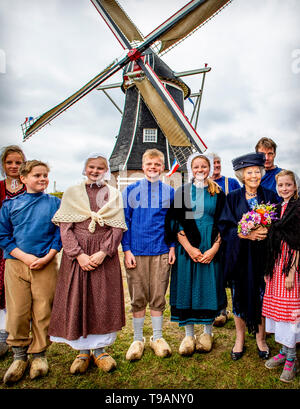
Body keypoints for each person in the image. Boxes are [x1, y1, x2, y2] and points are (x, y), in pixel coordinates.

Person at [49, 153, 127, 375]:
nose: (95, 171)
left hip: (103, 254)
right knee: (79, 298)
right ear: (85, 169)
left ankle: (100, 350)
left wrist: (104, 252)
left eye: (100, 168)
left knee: (102, 300)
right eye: (91, 167)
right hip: (78, 255)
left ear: (106, 171)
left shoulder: (113, 195)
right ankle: (82, 352)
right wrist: (78, 254)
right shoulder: (73, 192)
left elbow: (117, 228)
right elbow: (65, 227)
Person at [0, 160, 61, 384]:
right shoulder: (10, 205)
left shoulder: (55, 203)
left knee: (43, 307)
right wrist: (24, 256)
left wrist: (49, 256)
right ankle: (18, 356)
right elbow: (3, 235)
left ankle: (39, 355)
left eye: (45, 175)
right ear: (23, 179)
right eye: (37, 175)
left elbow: (60, 232)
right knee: (17, 310)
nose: (43, 179)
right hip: (17, 262)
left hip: (45, 263)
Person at [165, 152, 226, 356]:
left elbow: (223, 223)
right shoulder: (182, 192)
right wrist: (189, 248)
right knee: (187, 286)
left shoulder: (217, 192)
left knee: (208, 286)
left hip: (210, 244)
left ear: (209, 168)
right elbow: (176, 223)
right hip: (187, 247)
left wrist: (214, 248)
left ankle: (207, 333)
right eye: (196, 167)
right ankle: (189, 335)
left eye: (204, 166)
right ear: (191, 169)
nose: (200, 170)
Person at [218, 152, 278, 361]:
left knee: (262, 296)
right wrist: (245, 233)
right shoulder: (233, 197)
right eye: (249, 172)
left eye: (257, 172)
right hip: (240, 256)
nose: (254, 176)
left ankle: (261, 339)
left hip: (264, 257)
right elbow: (225, 227)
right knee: (238, 297)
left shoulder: (270, 196)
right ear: (241, 175)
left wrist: (267, 232)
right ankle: (240, 339)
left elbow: (279, 223)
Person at [122, 148, 175, 361]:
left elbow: (172, 222)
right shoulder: (131, 191)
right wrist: (126, 250)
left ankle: (158, 337)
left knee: (158, 294)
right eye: (149, 164)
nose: (153, 168)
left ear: (162, 167)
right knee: (138, 295)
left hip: (161, 250)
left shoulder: (170, 192)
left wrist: (172, 247)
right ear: (143, 166)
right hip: (136, 251)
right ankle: (137, 338)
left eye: (157, 165)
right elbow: (124, 221)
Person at [263, 170, 300, 383]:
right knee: (278, 310)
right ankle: (284, 350)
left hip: (290, 266)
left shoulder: (297, 209)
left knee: (289, 310)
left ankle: (292, 359)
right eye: (281, 185)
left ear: (295, 186)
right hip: (276, 264)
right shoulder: (276, 208)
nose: (284, 188)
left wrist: (292, 271)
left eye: (288, 185)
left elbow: (298, 243)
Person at [0, 145, 26, 358]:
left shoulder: (29, 188)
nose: (14, 166)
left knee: (19, 295)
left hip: (25, 249)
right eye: (9, 162)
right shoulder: (0, 188)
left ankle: (19, 333)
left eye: (18, 162)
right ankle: (3, 333)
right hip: (3, 246)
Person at [211, 152, 240, 326]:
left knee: (234, 274)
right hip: (213, 234)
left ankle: (238, 308)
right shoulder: (203, 185)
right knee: (218, 273)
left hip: (230, 234)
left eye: (218, 162)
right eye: (213, 162)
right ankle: (221, 310)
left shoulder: (232, 183)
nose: (216, 165)